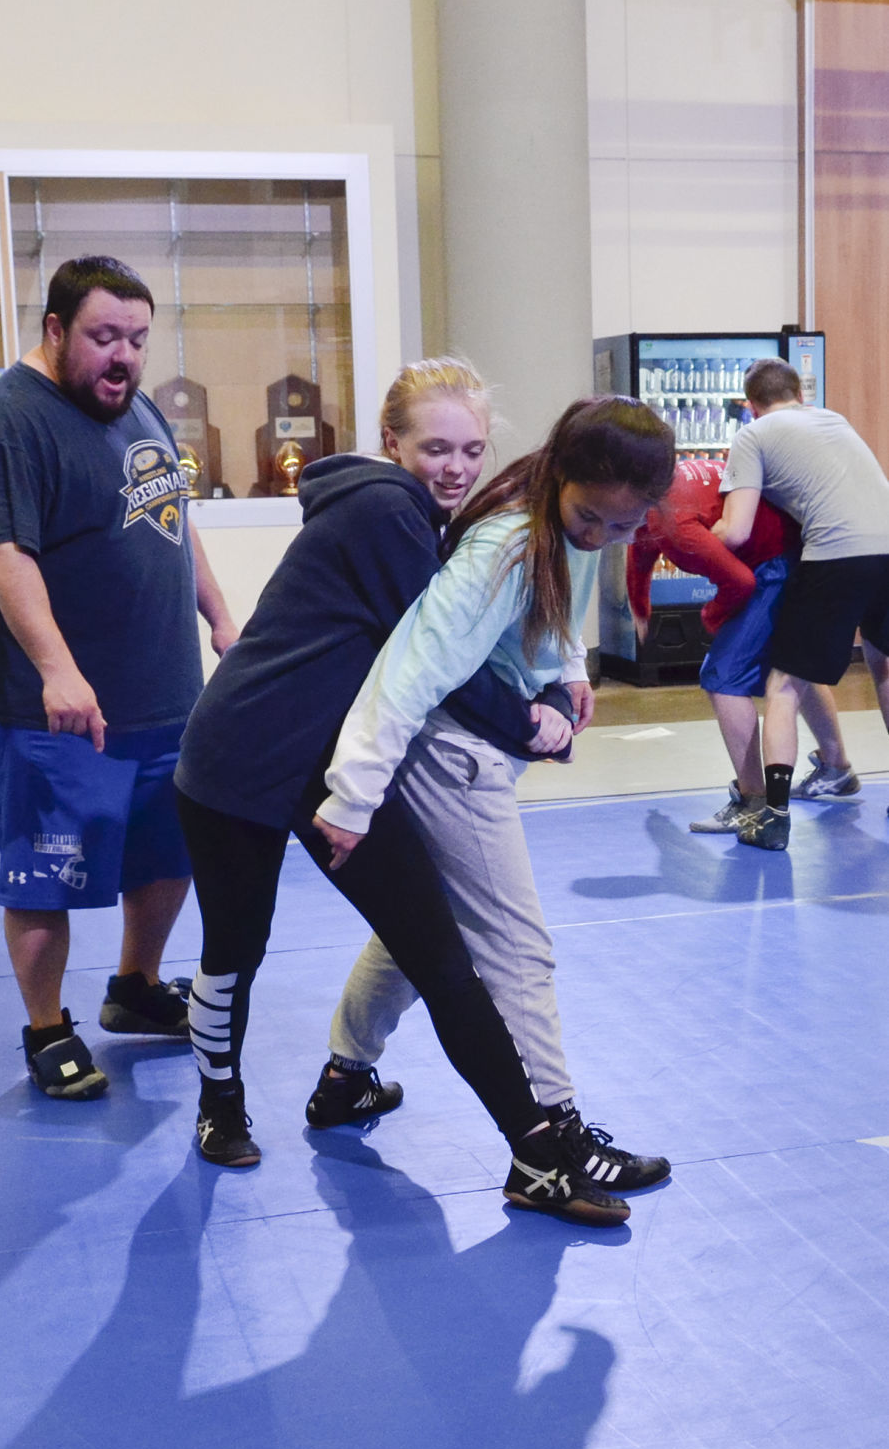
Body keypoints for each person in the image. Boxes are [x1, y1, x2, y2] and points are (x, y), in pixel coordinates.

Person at [176, 375, 669, 1227]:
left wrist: (563, 674)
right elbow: (427, 665)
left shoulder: (474, 513)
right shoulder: (390, 515)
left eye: (470, 449)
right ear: (392, 441)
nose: (455, 467)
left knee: (432, 946)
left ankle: (500, 1139)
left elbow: (535, 599)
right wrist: (530, 722)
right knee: (235, 949)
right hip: (244, 755)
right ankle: (220, 1102)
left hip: (325, 756)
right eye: (436, 448)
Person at [310, 399, 674, 1204]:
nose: (601, 537)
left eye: (624, 526)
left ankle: (345, 1076)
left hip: (471, 751)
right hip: (452, 758)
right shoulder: (505, 546)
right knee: (517, 949)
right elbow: (410, 667)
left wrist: (567, 670)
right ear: (561, 475)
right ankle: (555, 1135)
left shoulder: (558, 517)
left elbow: (559, 595)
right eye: (592, 517)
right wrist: (352, 794)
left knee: (420, 931)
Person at [0, 255, 237, 1100]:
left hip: (164, 694)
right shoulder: (6, 420)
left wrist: (222, 617)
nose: (124, 357)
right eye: (105, 337)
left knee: (170, 852)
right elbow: (3, 554)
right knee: (45, 875)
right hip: (57, 710)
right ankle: (47, 1029)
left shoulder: (134, 405)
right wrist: (58, 670)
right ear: (55, 329)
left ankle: (135, 988)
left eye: (138, 339)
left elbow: (173, 519)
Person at [713, 358, 889, 851]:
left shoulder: (754, 435)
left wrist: (688, 540)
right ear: (800, 394)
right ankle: (834, 769)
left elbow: (736, 529)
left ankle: (773, 816)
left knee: (784, 685)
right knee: (883, 667)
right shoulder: (834, 419)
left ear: (751, 406)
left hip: (837, 553)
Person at [624, 456, 854, 834]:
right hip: (799, 550)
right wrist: (640, 608)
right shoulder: (655, 496)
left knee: (722, 676)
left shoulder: (673, 525)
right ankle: (836, 768)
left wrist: (712, 616)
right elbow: (639, 552)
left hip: (774, 563)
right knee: (793, 667)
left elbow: (740, 583)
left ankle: (753, 801)